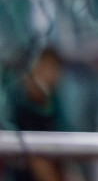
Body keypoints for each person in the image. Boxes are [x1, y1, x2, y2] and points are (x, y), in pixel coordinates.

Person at [4, 47, 65, 181]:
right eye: (45, 67)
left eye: (54, 69)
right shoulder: (15, 98)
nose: (50, 75)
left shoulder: (55, 102)